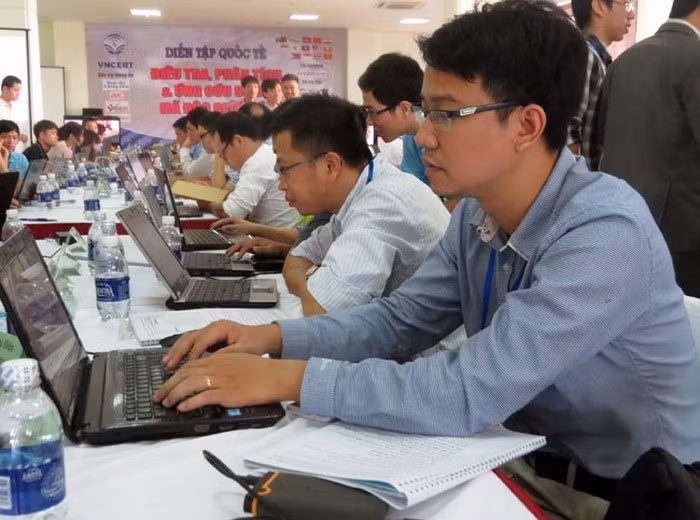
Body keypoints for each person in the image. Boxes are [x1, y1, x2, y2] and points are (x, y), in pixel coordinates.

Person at [155, 1, 700, 517]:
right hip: (518, 457)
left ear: (527, 126)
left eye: (446, 114)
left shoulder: (605, 232)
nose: (423, 135)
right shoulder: (475, 215)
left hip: (624, 495)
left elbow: (469, 388)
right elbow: (400, 321)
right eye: (425, 111)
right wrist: (270, 338)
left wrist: (287, 379)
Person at [599, 0, 700, 297]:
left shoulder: (623, 62)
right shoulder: (695, 59)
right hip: (683, 237)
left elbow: (601, 138)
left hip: (620, 224)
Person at [569, 0, 635, 169]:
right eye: (626, 4)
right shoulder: (586, 56)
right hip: (580, 179)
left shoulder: (596, 58)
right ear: (598, 6)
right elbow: (568, 129)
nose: (631, 14)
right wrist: (576, 178)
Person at [210, 111, 299, 228]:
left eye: (223, 154)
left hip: (270, 237)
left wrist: (209, 204)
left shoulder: (258, 162)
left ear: (237, 141)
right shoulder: (261, 155)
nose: (225, 162)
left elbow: (230, 213)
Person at [358, 54, 427, 184]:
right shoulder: (410, 138)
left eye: (373, 112)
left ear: (404, 109)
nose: (369, 121)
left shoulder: (446, 136)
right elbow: (411, 186)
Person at [0, 119, 29, 208]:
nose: (11, 141)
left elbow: (24, 186)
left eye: (15, 138)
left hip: (16, 204)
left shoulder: (20, 158)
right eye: (5, 137)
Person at [179, 107, 215, 177]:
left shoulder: (210, 152)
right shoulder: (203, 148)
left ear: (200, 128)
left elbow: (190, 173)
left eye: (190, 129)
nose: (188, 134)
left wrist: (184, 148)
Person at [0, 76, 28, 145]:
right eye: (15, 90)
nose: (18, 93)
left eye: (19, 91)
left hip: (15, 146)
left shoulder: (16, 108)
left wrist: (21, 135)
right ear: (5, 89)